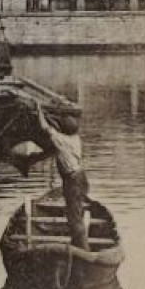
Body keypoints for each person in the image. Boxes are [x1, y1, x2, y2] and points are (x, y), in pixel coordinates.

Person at [28, 101, 89, 250]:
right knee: (76, 212)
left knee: (74, 217)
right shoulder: (75, 138)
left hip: (72, 180)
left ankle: (82, 250)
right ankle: (78, 244)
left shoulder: (61, 141)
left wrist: (39, 110)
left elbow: (45, 127)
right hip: (81, 178)